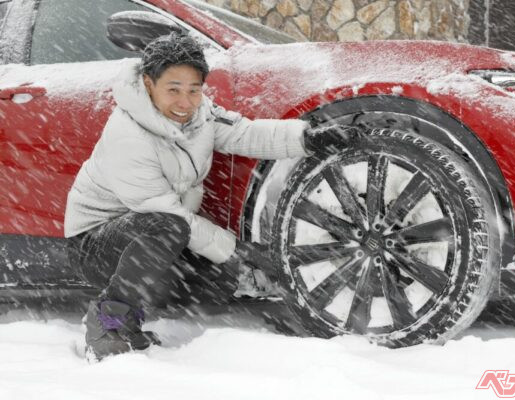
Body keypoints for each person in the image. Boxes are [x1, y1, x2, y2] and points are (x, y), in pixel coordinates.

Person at [64, 32, 356, 361]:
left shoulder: (200, 113)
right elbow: (169, 215)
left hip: (159, 232)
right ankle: (109, 321)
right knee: (170, 227)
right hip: (97, 241)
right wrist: (240, 249)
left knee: (215, 283)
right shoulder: (129, 136)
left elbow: (244, 133)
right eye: (173, 90)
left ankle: (150, 303)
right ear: (148, 84)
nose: (185, 103)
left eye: (194, 90)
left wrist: (307, 139)